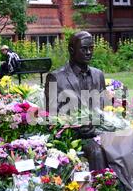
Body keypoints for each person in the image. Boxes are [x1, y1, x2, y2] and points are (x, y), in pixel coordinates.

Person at [44, 31, 107, 170]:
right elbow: (52, 115)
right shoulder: (56, 77)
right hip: (74, 134)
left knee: (130, 142)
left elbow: (104, 108)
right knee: (96, 151)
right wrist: (77, 126)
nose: (89, 52)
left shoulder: (98, 75)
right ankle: (102, 187)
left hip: (100, 130)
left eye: (91, 48)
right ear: (71, 50)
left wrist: (100, 124)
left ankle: (129, 189)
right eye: (84, 49)